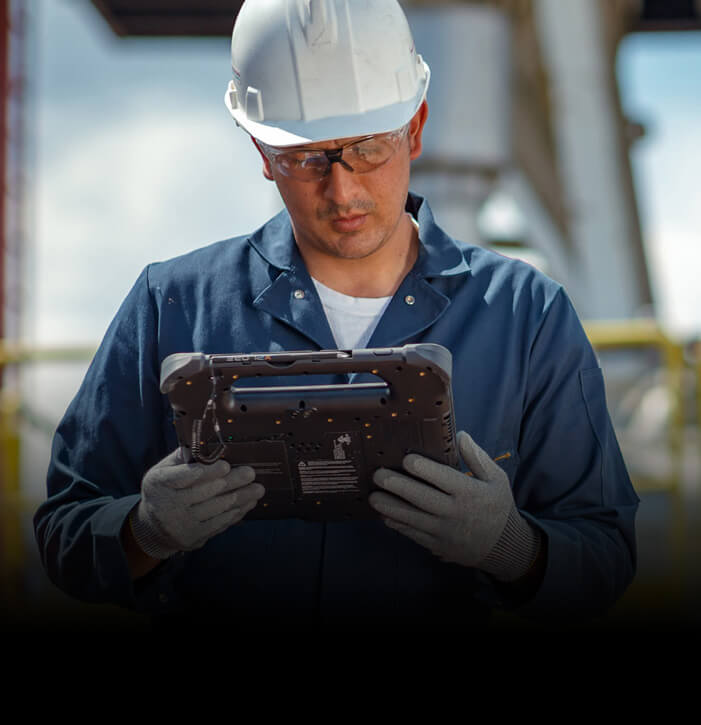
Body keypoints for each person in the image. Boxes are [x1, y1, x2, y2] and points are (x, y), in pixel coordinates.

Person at [34, 0, 638, 631]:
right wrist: (144, 531)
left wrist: (512, 549)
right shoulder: (171, 304)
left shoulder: (527, 317)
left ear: (417, 128)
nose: (343, 189)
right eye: (306, 158)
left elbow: (606, 558)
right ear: (262, 153)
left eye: (368, 149)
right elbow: (63, 534)